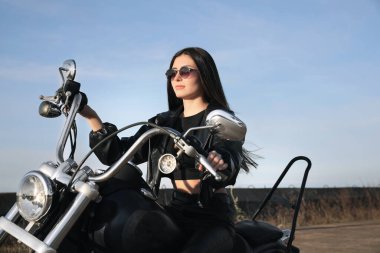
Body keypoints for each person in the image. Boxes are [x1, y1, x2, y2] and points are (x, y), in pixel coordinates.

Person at [79, 47, 256, 253]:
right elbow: (118, 154)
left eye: (185, 71)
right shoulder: (163, 122)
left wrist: (220, 158)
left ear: (205, 74)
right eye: (172, 73)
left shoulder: (219, 120)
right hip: (176, 210)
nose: (176, 77)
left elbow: (229, 152)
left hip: (211, 218)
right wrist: (90, 115)